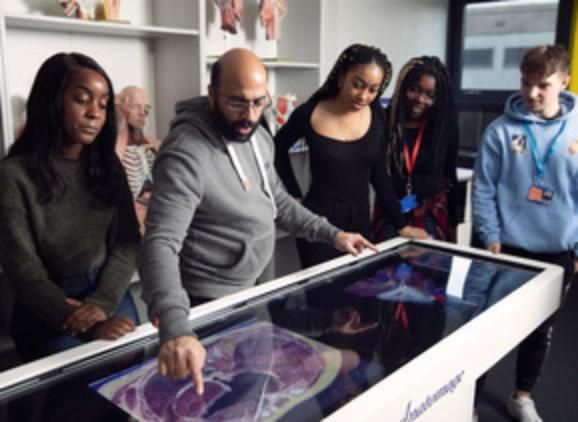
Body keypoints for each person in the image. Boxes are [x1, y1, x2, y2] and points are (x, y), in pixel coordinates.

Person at [138, 48, 379, 394]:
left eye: (258, 102)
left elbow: (278, 200)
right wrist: (176, 329)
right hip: (203, 304)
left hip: (248, 290)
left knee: (253, 395)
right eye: (237, 102)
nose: (249, 115)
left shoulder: (257, 133)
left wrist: (334, 235)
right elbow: (159, 243)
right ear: (212, 95)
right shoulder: (186, 152)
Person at [0, 52, 140, 362]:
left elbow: (127, 241)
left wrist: (102, 304)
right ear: (51, 100)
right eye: (82, 100)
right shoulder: (13, 175)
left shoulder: (107, 164)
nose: (95, 113)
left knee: (129, 366)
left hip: (107, 287)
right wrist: (86, 324)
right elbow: (24, 272)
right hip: (47, 302)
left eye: (103, 105)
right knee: (78, 386)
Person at [473, 44, 577, 422]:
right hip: (504, 248)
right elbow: (484, 188)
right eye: (525, 83)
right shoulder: (501, 131)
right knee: (484, 328)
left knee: (540, 331)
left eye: (543, 86)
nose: (531, 93)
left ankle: (522, 395)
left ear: (564, 81)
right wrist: (490, 237)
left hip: (556, 252)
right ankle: (469, 402)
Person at [274, 44, 429, 268]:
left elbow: (379, 174)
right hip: (318, 219)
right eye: (357, 85)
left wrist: (401, 225)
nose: (363, 96)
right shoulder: (309, 112)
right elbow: (277, 148)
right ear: (342, 76)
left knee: (355, 291)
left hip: (359, 219)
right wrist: (295, 195)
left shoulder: (377, 116)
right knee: (320, 292)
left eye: (373, 90)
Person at [372, 56, 459, 242]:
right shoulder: (385, 122)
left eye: (430, 95)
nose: (421, 99)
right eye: (414, 89)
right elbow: (379, 177)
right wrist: (400, 224)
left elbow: (450, 176)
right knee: (385, 269)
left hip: (431, 212)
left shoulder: (444, 127)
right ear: (403, 88)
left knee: (431, 267)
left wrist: (454, 224)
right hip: (390, 210)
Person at [115, 85, 161, 234]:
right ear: (121, 107)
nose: (143, 113)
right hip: (129, 227)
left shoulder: (156, 146)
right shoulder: (114, 149)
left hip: (158, 221)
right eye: (136, 107)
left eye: (146, 108)